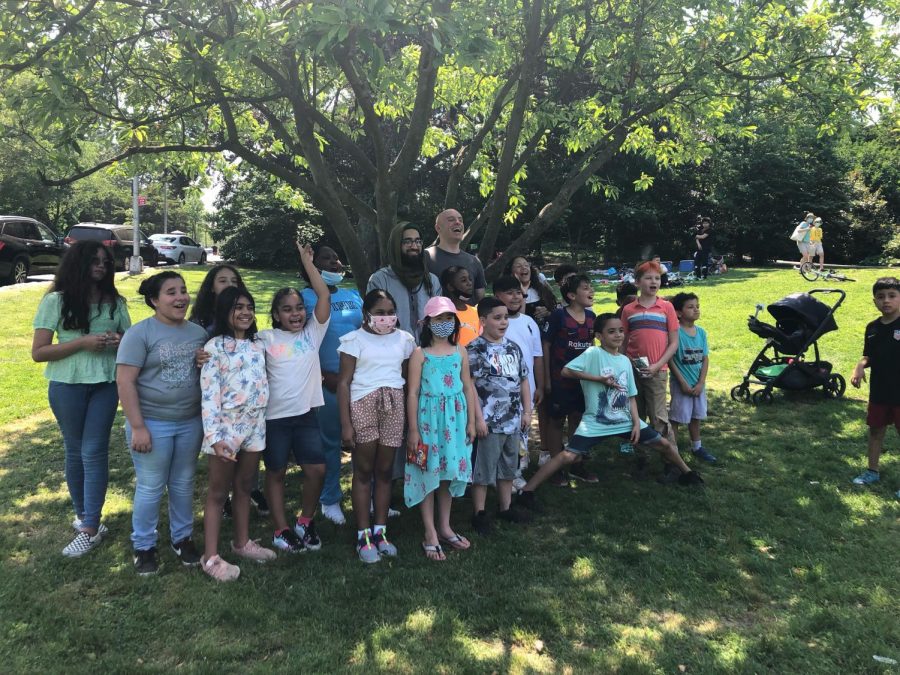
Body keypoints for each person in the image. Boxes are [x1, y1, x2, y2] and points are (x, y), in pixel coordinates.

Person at [516, 314, 703, 510]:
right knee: (567, 456)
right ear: (599, 336)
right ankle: (527, 491)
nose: (618, 335)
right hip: (596, 422)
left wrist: (637, 424)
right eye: (611, 331)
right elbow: (566, 371)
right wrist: (597, 379)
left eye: (621, 331)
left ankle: (688, 473)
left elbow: (631, 395)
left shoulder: (624, 360)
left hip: (625, 420)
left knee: (664, 444)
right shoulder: (593, 354)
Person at [32, 241, 131, 557]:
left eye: (105, 261)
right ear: (79, 263)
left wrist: (119, 340)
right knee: (74, 451)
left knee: (93, 450)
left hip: (105, 384)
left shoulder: (115, 302)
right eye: (94, 261)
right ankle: (84, 517)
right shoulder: (56, 302)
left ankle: (90, 526)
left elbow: (132, 340)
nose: (101, 266)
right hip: (66, 384)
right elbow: (39, 352)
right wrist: (83, 343)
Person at [116, 272, 209, 575]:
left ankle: (182, 539)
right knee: (151, 486)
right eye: (171, 292)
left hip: (189, 422)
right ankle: (144, 546)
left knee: (183, 483)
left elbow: (207, 374)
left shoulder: (198, 333)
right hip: (151, 422)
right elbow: (125, 382)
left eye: (183, 291)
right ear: (154, 300)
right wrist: (138, 426)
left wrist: (204, 361)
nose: (180, 297)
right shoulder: (139, 334)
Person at [258, 244, 332, 555]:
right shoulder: (265, 338)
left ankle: (304, 520)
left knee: (316, 469)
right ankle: (281, 529)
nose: (295, 314)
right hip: (274, 419)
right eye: (287, 309)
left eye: (299, 307)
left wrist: (306, 262)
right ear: (276, 314)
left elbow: (324, 296)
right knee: (275, 472)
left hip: (305, 417)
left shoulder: (311, 334)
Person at [199, 286, 273, 581]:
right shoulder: (214, 347)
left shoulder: (259, 345)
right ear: (224, 312)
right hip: (225, 428)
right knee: (219, 492)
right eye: (237, 307)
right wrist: (215, 437)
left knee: (244, 486)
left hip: (256, 426)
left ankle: (242, 543)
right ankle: (211, 556)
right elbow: (208, 395)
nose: (245, 312)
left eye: (249, 307)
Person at [337, 289, 416, 563]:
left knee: (384, 471)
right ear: (366, 314)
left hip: (393, 406)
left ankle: (380, 531)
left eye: (390, 312)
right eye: (380, 313)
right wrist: (346, 425)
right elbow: (344, 383)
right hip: (363, 405)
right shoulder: (353, 340)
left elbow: (407, 379)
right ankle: (363, 535)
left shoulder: (405, 340)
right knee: (363, 471)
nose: (386, 318)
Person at [189, 264, 267, 517]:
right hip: (219, 409)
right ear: (211, 287)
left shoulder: (250, 333)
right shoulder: (202, 325)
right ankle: (224, 500)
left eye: (234, 280)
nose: (230, 285)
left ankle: (247, 491)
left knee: (247, 465)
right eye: (223, 281)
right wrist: (198, 356)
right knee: (220, 477)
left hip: (250, 414)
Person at [405, 296, 477, 561]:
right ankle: (429, 532)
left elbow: (467, 386)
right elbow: (412, 392)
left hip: (455, 421)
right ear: (427, 323)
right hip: (428, 421)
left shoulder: (460, 351)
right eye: (438, 319)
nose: (444, 323)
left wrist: (470, 421)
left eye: (448, 318)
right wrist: (413, 430)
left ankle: (445, 527)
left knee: (448, 471)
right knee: (428, 472)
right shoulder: (419, 354)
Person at [301, 244, 363, 526]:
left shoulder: (353, 295)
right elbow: (299, 342)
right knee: (330, 442)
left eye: (337, 257)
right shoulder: (304, 297)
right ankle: (330, 499)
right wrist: (324, 376)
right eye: (326, 259)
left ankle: (368, 495)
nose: (335, 262)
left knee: (365, 441)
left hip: (360, 381)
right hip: (326, 381)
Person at [467, 297, 532, 535]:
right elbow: (470, 386)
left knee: (508, 467)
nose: (503, 322)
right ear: (483, 320)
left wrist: (527, 411)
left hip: (513, 421)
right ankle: (479, 513)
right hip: (489, 422)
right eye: (497, 318)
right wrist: (478, 419)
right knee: (483, 471)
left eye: (505, 317)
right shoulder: (475, 349)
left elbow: (523, 380)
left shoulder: (512, 347)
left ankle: (505, 508)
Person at [621, 260, 683, 480]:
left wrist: (657, 365)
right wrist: (623, 367)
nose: (653, 281)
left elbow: (673, 343)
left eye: (656, 278)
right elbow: (623, 341)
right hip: (633, 372)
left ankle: (671, 463)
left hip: (658, 371)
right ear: (637, 282)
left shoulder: (666, 307)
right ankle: (641, 459)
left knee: (659, 417)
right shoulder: (628, 310)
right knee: (636, 415)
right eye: (648, 278)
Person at [541, 273, 598, 485]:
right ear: (571, 295)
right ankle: (556, 467)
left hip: (582, 382)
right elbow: (546, 345)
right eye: (586, 288)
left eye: (591, 287)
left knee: (578, 420)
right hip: (559, 381)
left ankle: (576, 463)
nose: (591, 291)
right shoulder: (557, 317)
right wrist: (546, 379)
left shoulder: (592, 318)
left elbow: (592, 348)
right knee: (556, 421)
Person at [493, 275, 544, 489]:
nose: (515, 297)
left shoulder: (529, 322)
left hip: (527, 387)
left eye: (518, 292)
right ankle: (499, 472)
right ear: (497, 296)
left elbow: (537, 356)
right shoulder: (493, 322)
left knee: (522, 429)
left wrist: (540, 385)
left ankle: (516, 468)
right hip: (500, 392)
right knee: (501, 432)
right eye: (509, 293)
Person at [850, 277, 900, 489]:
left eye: (892, 296)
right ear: (874, 302)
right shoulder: (872, 328)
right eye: (881, 297)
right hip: (879, 391)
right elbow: (868, 355)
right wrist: (860, 366)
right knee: (875, 431)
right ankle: (872, 471)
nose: (886, 301)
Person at [368, 222, 441, 338]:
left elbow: (439, 317)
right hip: (392, 349)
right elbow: (374, 319)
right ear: (396, 245)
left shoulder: (431, 280)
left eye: (418, 241)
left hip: (427, 350)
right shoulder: (381, 279)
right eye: (407, 242)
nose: (414, 246)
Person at [668, 293, 716, 464]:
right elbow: (671, 359)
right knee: (676, 417)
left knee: (695, 416)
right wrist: (682, 383)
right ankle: (672, 449)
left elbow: (705, 358)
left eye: (697, 306)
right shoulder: (675, 333)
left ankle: (697, 447)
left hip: (698, 385)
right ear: (679, 313)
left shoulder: (701, 333)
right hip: (681, 384)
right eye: (690, 307)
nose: (696, 309)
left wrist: (701, 383)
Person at [425, 209, 487, 302]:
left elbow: (481, 300)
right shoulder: (425, 257)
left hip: (469, 316)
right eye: (451, 220)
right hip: (438, 316)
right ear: (438, 228)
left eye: (460, 220)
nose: (457, 222)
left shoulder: (474, 261)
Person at [507, 255, 557, 326]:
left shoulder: (541, 289)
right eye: (518, 266)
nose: (524, 267)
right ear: (511, 272)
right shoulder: (507, 294)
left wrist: (547, 312)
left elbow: (554, 310)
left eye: (526, 265)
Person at [440, 265, 480, 346]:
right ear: (450, 287)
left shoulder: (476, 311)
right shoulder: (444, 315)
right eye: (463, 280)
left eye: (470, 279)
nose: (469, 283)